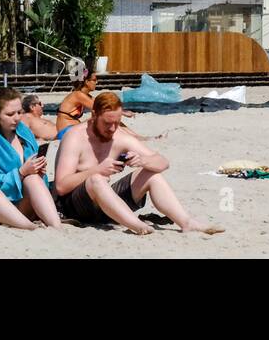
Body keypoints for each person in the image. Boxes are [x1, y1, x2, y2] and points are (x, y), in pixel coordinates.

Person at [53, 92, 222, 235]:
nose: (112, 129)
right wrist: (97, 170)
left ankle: (186, 222)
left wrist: (143, 161)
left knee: (151, 174)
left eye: (117, 123)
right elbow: (61, 186)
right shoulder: (75, 137)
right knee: (96, 179)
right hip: (75, 206)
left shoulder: (119, 136)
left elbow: (163, 162)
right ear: (94, 115)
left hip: (107, 206)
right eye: (107, 123)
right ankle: (137, 225)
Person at [0, 87, 61, 230]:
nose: (17, 118)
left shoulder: (23, 131)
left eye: (19, 112)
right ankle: (31, 228)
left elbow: (31, 174)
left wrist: (38, 170)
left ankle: (56, 227)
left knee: (33, 179)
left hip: (20, 202)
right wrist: (20, 173)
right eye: (10, 114)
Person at [55, 72, 98, 139]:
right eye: (94, 80)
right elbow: (100, 107)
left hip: (71, 130)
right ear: (86, 82)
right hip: (67, 132)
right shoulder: (78, 95)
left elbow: (101, 102)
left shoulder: (84, 95)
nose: (96, 82)